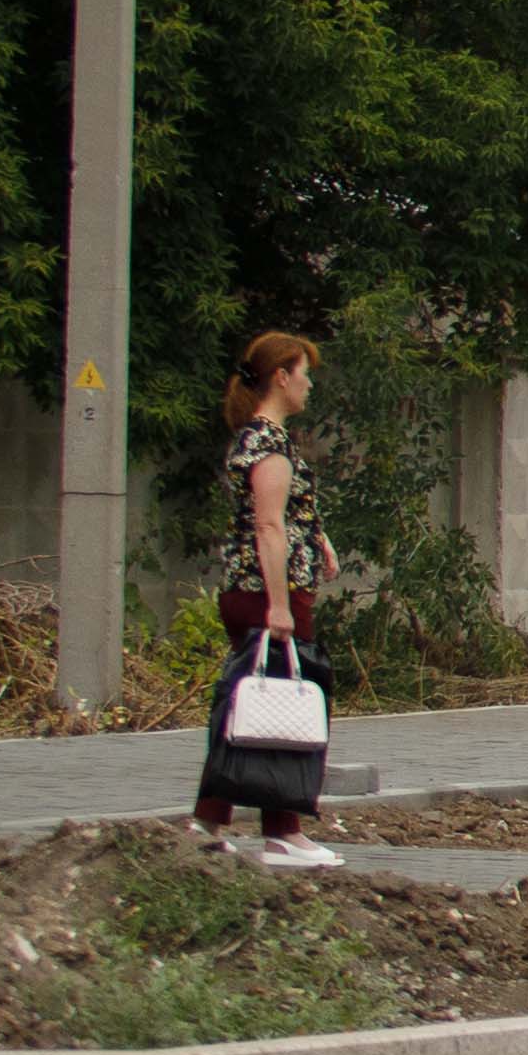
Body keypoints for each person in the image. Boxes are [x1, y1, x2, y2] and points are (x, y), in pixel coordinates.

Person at [192, 330, 344, 869]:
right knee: (287, 703)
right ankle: (284, 833)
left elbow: (283, 515)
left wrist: (318, 536)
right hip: (267, 594)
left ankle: (208, 822)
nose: (310, 383)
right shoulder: (269, 443)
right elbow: (268, 525)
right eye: (304, 372)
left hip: (246, 589)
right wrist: (280, 605)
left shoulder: (259, 439)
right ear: (281, 376)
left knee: (245, 703)